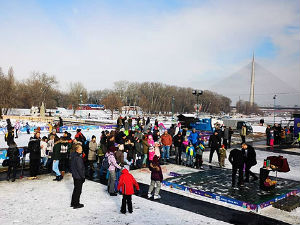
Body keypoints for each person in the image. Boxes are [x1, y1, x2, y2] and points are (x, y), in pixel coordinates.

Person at [70, 144, 85, 209]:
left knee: (75, 189)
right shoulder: (78, 158)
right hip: (78, 176)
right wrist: (83, 177)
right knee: (78, 191)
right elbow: (80, 168)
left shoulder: (73, 156)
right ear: (77, 150)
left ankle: (73, 203)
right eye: (80, 149)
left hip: (75, 175)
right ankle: (76, 204)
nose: (81, 150)